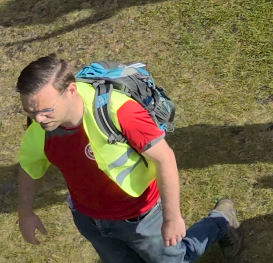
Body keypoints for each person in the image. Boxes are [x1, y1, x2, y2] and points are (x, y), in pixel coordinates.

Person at [14, 55, 243, 262]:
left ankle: (220, 221)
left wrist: (172, 219)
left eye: (46, 110)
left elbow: (165, 159)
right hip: (89, 220)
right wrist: (25, 213)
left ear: (71, 90)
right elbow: (30, 166)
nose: (39, 119)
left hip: (141, 218)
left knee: (177, 259)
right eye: (31, 111)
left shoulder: (120, 111)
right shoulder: (39, 124)